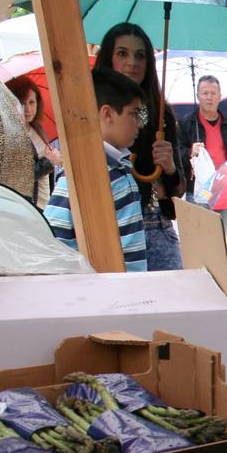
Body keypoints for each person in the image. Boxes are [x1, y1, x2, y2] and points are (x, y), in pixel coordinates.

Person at [95, 23, 187, 271]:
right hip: (107, 226)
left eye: (140, 55)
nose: (132, 62)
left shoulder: (160, 114)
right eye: (122, 53)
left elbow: (178, 194)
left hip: (156, 226)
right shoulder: (90, 109)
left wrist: (168, 168)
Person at [44, 67, 148, 271]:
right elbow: (55, 237)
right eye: (134, 114)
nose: (139, 124)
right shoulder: (87, 174)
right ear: (107, 113)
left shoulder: (117, 168)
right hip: (111, 294)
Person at [179, 75, 227, 198]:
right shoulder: (186, 124)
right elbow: (176, 154)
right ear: (198, 96)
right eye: (205, 93)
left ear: (220, 97)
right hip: (196, 189)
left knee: (223, 218)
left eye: (213, 93)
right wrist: (190, 152)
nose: (209, 97)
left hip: (224, 187)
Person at [4, 75, 61, 208]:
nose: (28, 109)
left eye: (31, 102)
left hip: (44, 203)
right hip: (27, 207)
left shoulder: (36, 127)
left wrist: (54, 158)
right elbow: (17, 178)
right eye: (22, 103)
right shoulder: (12, 135)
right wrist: (48, 162)